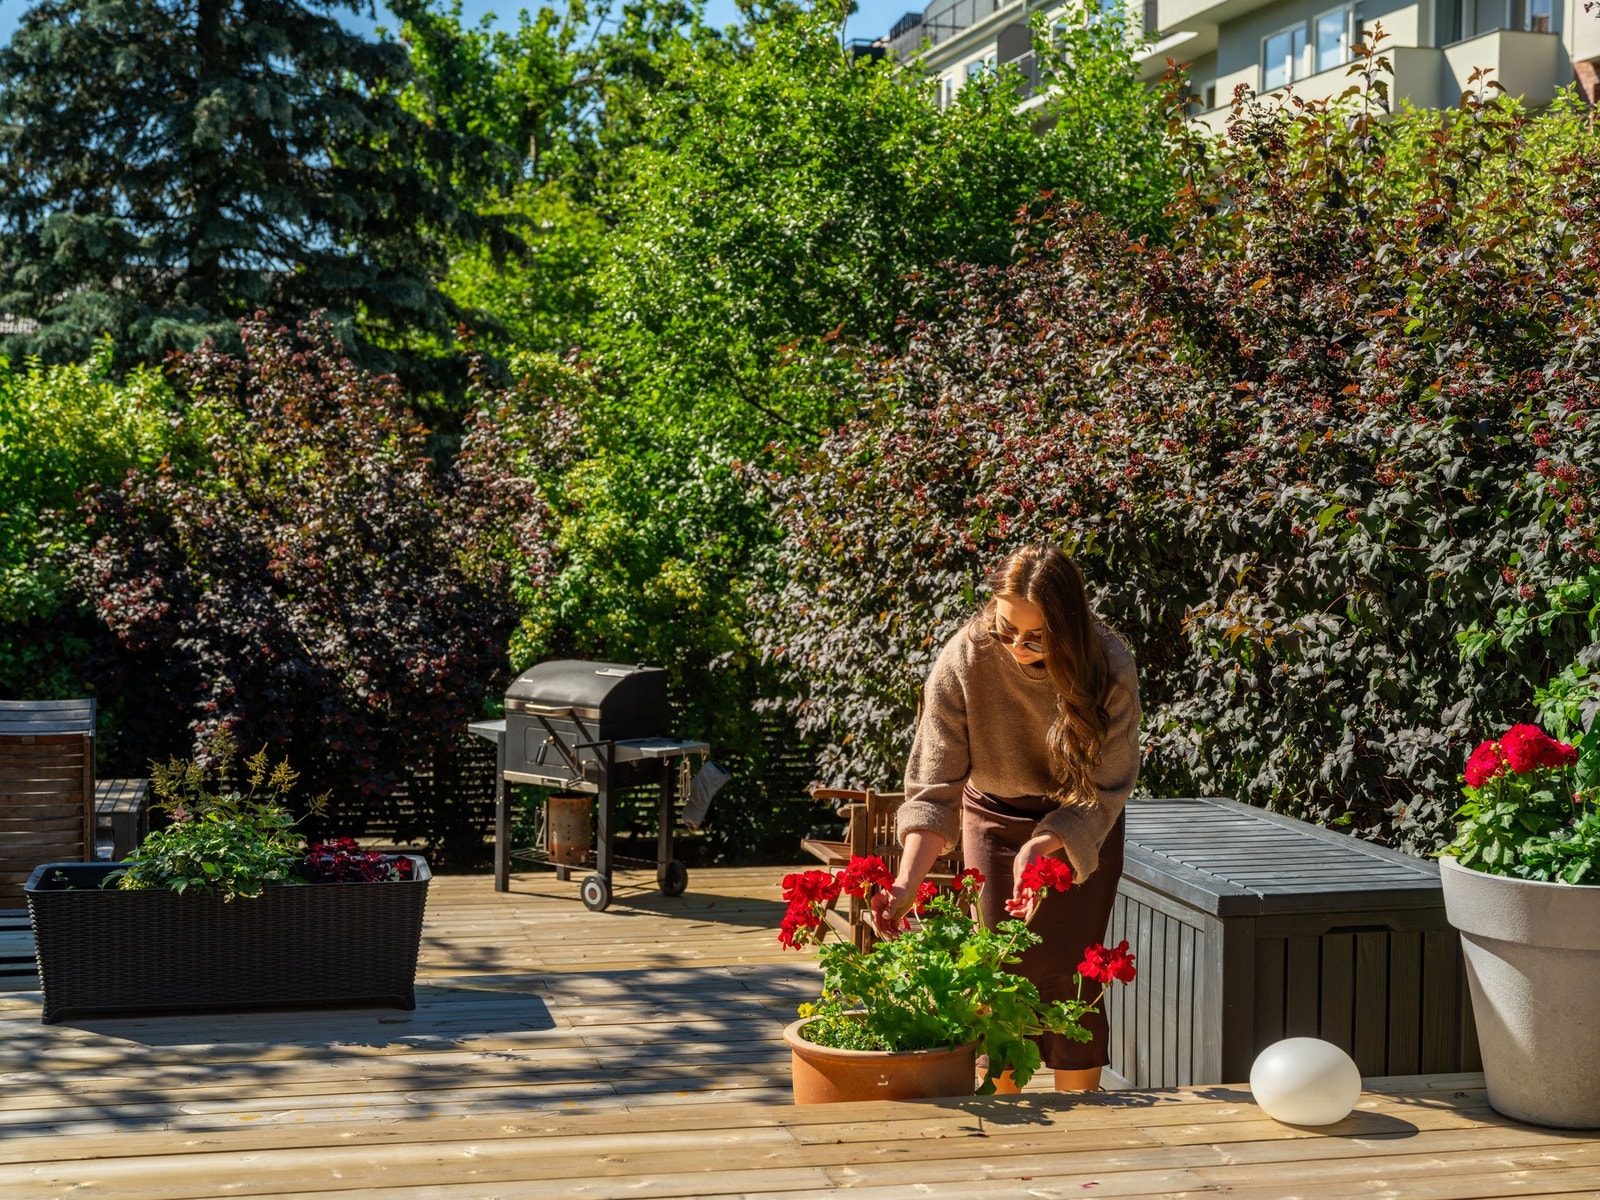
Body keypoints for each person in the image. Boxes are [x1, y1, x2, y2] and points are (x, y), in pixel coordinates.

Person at [868, 542, 1141, 1092]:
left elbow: (1108, 787)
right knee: (999, 975)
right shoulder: (965, 657)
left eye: (1036, 637)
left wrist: (1046, 841)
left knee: (1072, 978)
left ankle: (1083, 1122)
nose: (1017, 646)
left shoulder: (1110, 665)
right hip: (992, 817)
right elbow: (933, 788)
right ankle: (1004, 1116)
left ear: (1068, 627)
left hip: (1081, 824)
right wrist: (904, 884)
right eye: (1005, 629)